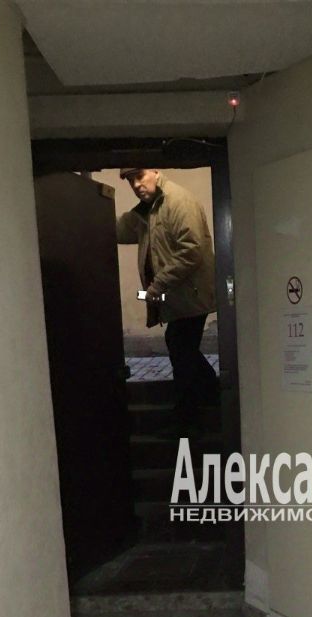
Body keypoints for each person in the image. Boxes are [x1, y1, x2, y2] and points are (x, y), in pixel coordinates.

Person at [116, 168, 218, 430]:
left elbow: (192, 250)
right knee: (181, 347)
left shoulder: (177, 201)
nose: (136, 184)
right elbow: (122, 230)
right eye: (130, 180)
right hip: (177, 297)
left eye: (139, 176)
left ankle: (187, 418)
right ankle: (211, 395)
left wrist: (157, 286)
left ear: (155, 171)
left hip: (190, 296)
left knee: (181, 351)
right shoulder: (149, 209)